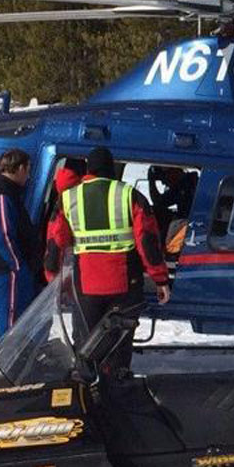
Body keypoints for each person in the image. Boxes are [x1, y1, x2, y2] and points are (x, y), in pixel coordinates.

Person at [44, 146, 172, 372]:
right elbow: (148, 241)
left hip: (86, 285)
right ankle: (117, 388)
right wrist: (160, 280)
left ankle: (87, 390)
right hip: (124, 284)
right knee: (119, 344)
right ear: (111, 168)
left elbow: (55, 241)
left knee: (86, 343)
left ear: (88, 169)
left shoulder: (68, 198)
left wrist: (53, 278)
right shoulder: (129, 195)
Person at [0, 149, 41, 338]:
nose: (29, 175)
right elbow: (4, 235)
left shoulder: (10, 193)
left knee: (20, 323)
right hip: (6, 272)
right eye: (28, 169)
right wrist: (18, 266)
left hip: (10, 271)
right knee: (11, 328)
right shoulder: (2, 195)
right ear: (20, 168)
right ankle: (5, 364)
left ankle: (17, 363)